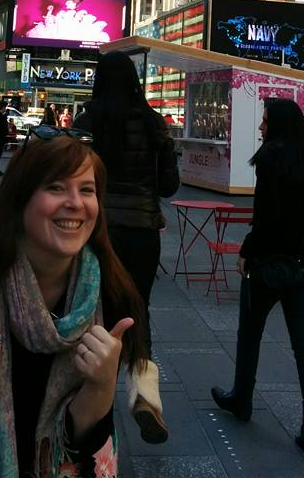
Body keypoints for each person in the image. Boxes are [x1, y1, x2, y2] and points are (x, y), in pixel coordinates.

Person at [0, 130, 148, 477]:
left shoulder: (109, 289)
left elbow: (83, 445)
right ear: (19, 199)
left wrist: (101, 385)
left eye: (87, 190)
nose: (75, 203)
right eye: (55, 187)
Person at [211, 98, 304, 458]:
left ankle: (241, 398)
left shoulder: (271, 158)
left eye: (264, 121)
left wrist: (247, 249)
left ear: (276, 124)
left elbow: (266, 217)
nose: (260, 127)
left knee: (250, 334)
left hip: (268, 265)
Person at [75, 51, 179, 444]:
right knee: (137, 311)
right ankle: (146, 398)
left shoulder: (88, 123)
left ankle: (87, 392)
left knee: (90, 306)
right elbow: (169, 185)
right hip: (141, 233)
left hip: (96, 230)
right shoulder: (154, 124)